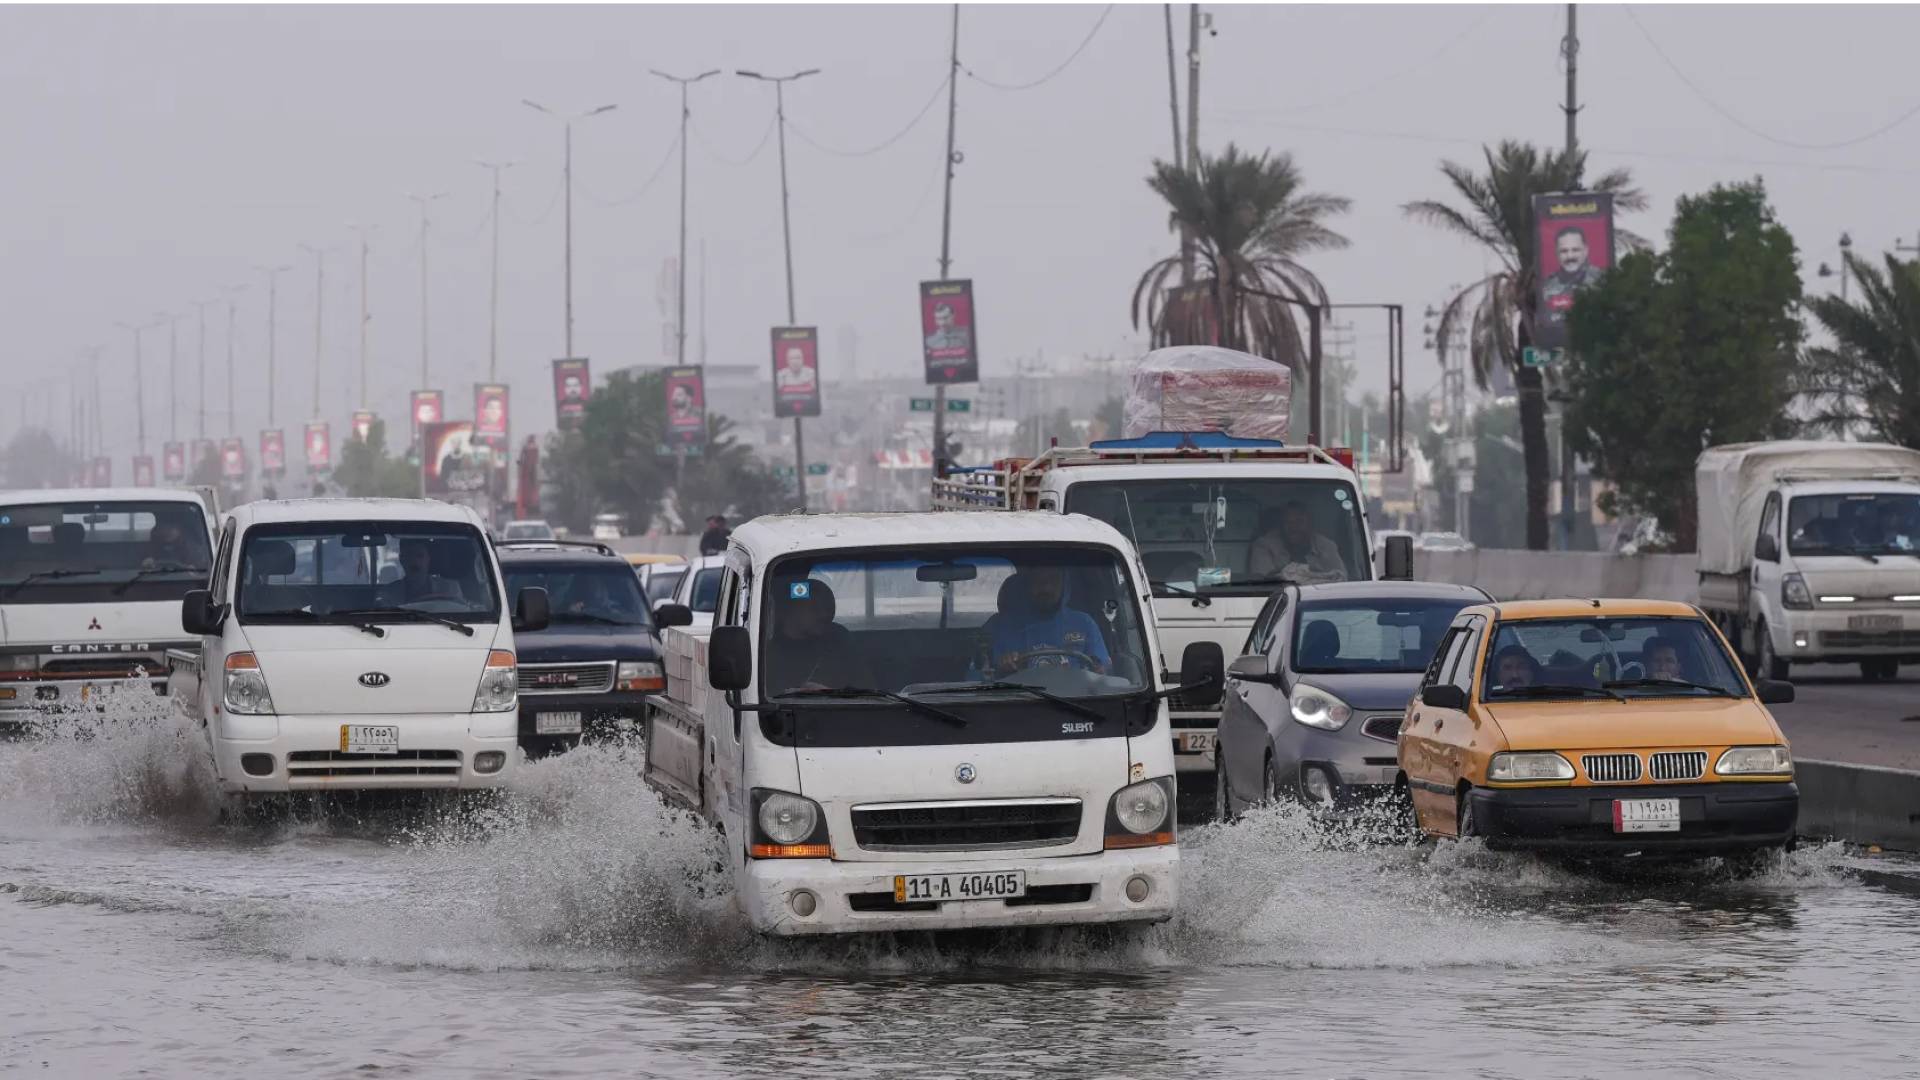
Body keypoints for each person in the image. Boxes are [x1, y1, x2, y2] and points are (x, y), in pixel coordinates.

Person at [989, 566, 1110, 675]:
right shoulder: (1003, 627)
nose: (1046, 588)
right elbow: (987, 675)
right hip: (1019, 698)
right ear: (1027, 585)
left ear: (1064, 584)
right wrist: (1004, 666)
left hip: (1076, 698)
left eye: (1053, 579)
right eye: (1037, 581)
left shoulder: (1084, 623)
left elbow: (1102, 672)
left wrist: (1098, 669)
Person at [764, 581, 873, 693]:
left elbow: (866, 688)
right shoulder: (763, 645)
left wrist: (828, 694)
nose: (824, 614)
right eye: (814, 608)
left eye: (828, 608)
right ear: (792, 608)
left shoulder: (838, 639)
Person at [1247, 503, 1347, 584]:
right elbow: (1262, 583)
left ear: (1310, 524)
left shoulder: (1326, 546)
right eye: (1288, 522)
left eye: (1299, 521)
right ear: (1280, 526)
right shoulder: (1264, 545)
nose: (1293, 528)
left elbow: (1341, 579)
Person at [385, 538, 457, 603]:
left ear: (428, 559)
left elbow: (460, 611)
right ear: (401, 559)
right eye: (409, 555)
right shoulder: (389, 593)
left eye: (420, 556)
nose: (415, 561)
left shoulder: (450, 588)